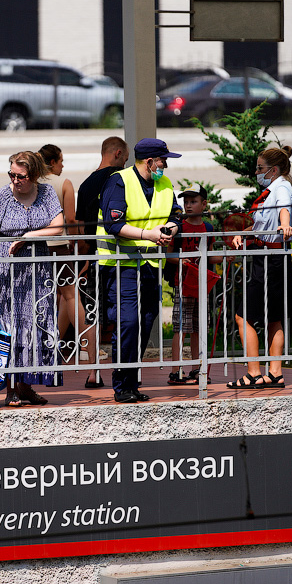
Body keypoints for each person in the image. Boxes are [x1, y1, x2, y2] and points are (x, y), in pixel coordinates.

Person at [98, 138, 183, 403]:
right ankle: (122, 385)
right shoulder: (119, 181)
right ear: (149, 162)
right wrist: (149, 234)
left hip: (149, 266)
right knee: (129, 323)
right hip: (120, 265)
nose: (166, 165)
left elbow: (176, 214)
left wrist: (170, 229)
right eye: (163, 160)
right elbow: (114, 225)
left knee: (146, 322)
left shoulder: (165, 184)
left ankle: (132, 382)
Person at [0, 151, 65, 407]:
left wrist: (29, 236)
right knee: (10, 329)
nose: (15, 180)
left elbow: (58, 226)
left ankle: (26, 386)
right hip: (5, 273)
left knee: (34, 327)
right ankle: (10, 389)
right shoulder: (2, 197)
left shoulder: (47, 193)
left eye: (21, 176)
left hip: (37, 273)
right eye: (12, 174)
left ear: (34, 175)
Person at [227, 145, 292, 390]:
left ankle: (254, 373)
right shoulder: (273, 189)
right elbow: (262, 225)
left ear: (274, 170)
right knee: (273, 319)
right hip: (268, 256)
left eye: (260, 168)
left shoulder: (281, 187)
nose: (256, 172)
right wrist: (243, 235)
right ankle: (275, 373)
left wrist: (286, 226)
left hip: (270, 259)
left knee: (242, 316)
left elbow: (284, 210)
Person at [38, 144, 97, 387]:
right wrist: (80, 246)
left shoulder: (34, 183)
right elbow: (70, 220)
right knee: (72, 296)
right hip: (61, 245)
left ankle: (51, 352)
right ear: (52, 162)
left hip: (38, 246)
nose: (63, 166)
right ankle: (92, 358)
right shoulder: (64, 184)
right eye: (61, 161)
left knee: (60, 298)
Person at [74, 137, 129, 386]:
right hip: (120, 256)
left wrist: (82, 261)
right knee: (121, 314)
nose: (126, 163)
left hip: (92, 258)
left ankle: (93, 372)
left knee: (91, 314)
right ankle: (124, 371)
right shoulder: (121, 180)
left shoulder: (86, 185)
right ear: (118, 153)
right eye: (125, 158)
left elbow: (80, 228)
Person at [167, 189, 216, 386]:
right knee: (181, 326)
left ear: (204, 204)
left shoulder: (209, 228)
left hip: (201, 284)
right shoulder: (180, 228)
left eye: (193, 201)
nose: (188, 205)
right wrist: (180, 258)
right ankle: (176, 369)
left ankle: (197, 368)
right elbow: (168, 254)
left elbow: (210, 255)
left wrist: (226, 257)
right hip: (183, 282)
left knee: (199, 327)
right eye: (186, 201)